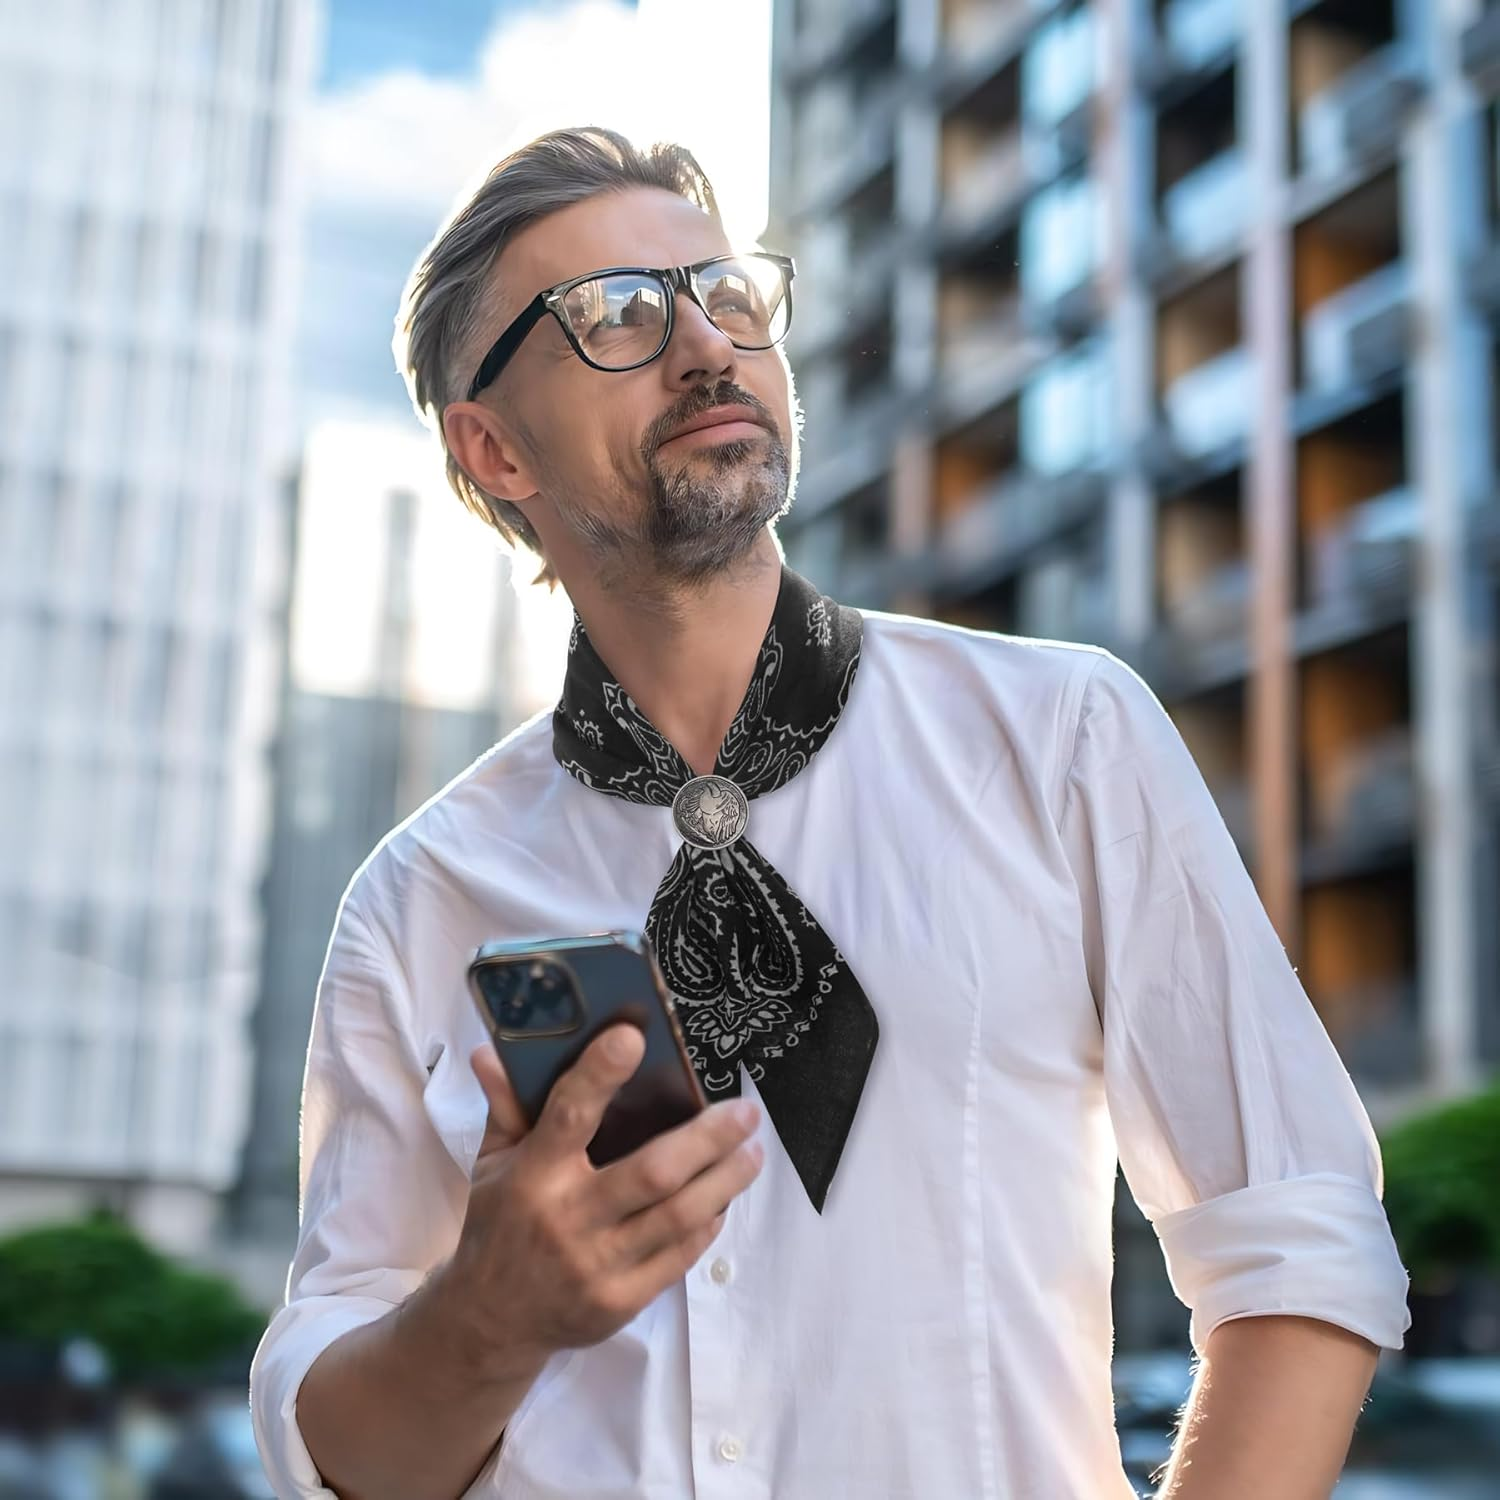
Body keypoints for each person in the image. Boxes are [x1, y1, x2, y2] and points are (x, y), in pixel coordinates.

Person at [248, 127, 1410, 1500]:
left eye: (726, 293)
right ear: (494, 449)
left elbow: (1299, 1234)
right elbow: (340, 1454)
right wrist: (486, 1320)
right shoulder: (417, 899)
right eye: (618, 315)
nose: (704, 347)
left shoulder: (1058, 739)